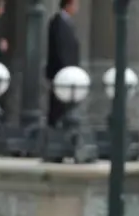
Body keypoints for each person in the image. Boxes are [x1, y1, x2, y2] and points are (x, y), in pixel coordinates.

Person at [46, 0, 81, 128]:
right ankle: (54, 128)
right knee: (57, 105)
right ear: (68, 5)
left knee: (65, 105)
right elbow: (61, 49)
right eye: (75, 4)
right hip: (61, 72)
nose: (77, 7)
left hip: (68, 72)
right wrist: (66, 70)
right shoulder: (58, 22)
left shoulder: (68, 22)